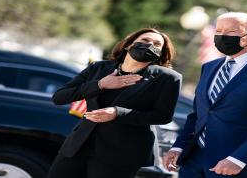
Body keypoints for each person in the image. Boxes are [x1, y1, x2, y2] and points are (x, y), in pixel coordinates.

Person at [163, 12, 247, 178]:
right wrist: (179, 146)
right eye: (219, 31)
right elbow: (199, 114)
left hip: (238, 166)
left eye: (231, 32)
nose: (222, 36)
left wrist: (239, 159)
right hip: (194, 161)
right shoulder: (210, 66)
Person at [47, 28, 182, 178]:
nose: (150, 45)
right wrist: (100, 84)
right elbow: (59, 97)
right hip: (77, 146)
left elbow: (163, 116)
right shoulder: (99, 68)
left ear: (160, 53)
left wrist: (118, 113)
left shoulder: (168, 78)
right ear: (128, 44)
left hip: (120, 154)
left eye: (157, 44)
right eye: (144, 40)